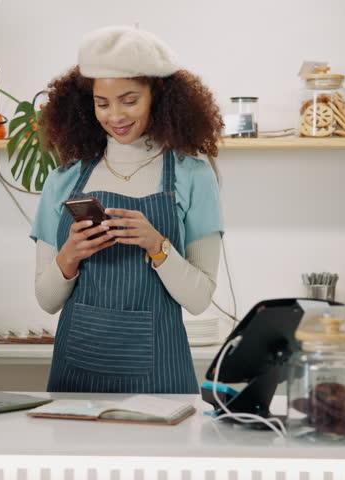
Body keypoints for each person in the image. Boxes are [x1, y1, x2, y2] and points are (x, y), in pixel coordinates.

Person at [29, 25, 224, 394]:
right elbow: (46, 301)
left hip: (161, 377)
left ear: (158, 95)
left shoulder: (193, 175)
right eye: (102, 103)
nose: (115, 116)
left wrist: (158, 246)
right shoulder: (64, 179)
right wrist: (69, 256)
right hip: (77, 380)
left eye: (129, 100)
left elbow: (199, 300)